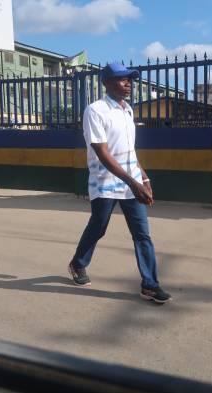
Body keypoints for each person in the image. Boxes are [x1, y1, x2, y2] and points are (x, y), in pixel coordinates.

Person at [68, 62, 172, 304]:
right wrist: (134, 183)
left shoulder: (128, 110)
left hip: (130, 181)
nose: (128, 83)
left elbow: (129, 151)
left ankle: (150, 284)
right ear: (106, 82)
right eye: (122, 79)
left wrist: (143, 177)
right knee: (98, 227)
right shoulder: (96, 110)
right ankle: (77, 263)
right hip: (104, 181)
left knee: (142, 234)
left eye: (130, 79)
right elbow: (103, 153)